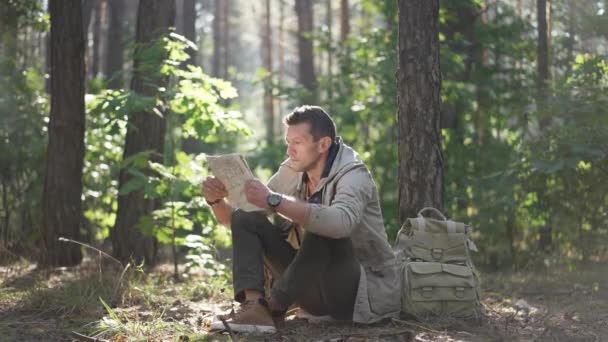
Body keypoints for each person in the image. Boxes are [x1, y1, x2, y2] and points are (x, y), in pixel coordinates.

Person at [202, 105, 399, 333]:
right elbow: (239, 223)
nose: (290, 151)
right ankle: (255, 308)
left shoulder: (354, 174)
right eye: (288, 142)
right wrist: (216, 201)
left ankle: (273, 307)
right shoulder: (293, 169)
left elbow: (340, 224)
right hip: (309, 288)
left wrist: (275, 200)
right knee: (246, 218)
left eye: (297, 143)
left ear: (323, 144)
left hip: (356, 296)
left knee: (322, 225)